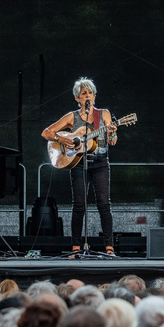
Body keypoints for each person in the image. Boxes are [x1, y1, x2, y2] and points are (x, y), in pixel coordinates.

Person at [42, 77, 118, 255]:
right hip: (77, 163)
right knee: (79, 205)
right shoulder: (72, 117)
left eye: (90, 93)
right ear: (77, 98)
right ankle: (76, 246)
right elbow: (46, 132)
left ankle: (109, 246)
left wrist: (113, 134)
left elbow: (112, 142)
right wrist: (61, 138)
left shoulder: (104, 114)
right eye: (84, 94)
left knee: (104, 204)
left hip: (100, 163)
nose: (88, 96)